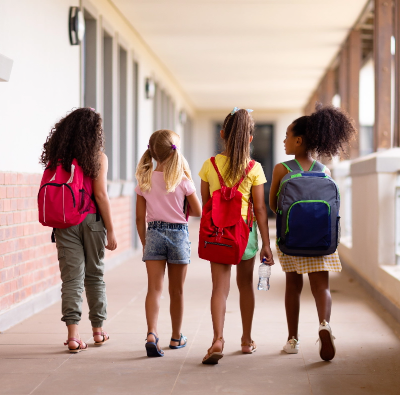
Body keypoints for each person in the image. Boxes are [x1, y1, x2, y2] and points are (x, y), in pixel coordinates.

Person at [269, 104, 356, 361]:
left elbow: (275, 205)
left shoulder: (282, 169)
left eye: (287, 136)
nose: (284, 140)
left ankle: (293, 339)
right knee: (321, 288)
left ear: (298, 140)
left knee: (293, 287)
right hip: (321, 241)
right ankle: (324, 325)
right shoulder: (324, 171)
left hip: (292, 239)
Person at [199, 108, 274, 364]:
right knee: (245, 287)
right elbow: (261, 209)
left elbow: (207, 204)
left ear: (222, 135)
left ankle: (218, 339)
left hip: (218, 233)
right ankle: (246, 340)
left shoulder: (209, 165)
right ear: (250, 139)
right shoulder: (255, 169)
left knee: (219, 288)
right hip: (245, 234)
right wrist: (266, 243)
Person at [40, 108, 117, 353]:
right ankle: (98, 331)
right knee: (95, 276)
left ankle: (73, 336)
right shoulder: (97, 157)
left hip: (65, 223)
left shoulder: (57, 158)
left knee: (71, 279)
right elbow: (101, 194)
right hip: (93, 221)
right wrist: (112, 230)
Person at [135, 129, 202, 357]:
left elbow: (138, 217)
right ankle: (176, 337)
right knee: (177, 291)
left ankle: (152, 334)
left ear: (153, 153)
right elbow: (198, 210)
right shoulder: (182, 181)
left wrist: (145, 241)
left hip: (153, 232)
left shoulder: (144, 180)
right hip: (178, 235)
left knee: (154, 289)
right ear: (175, 152)